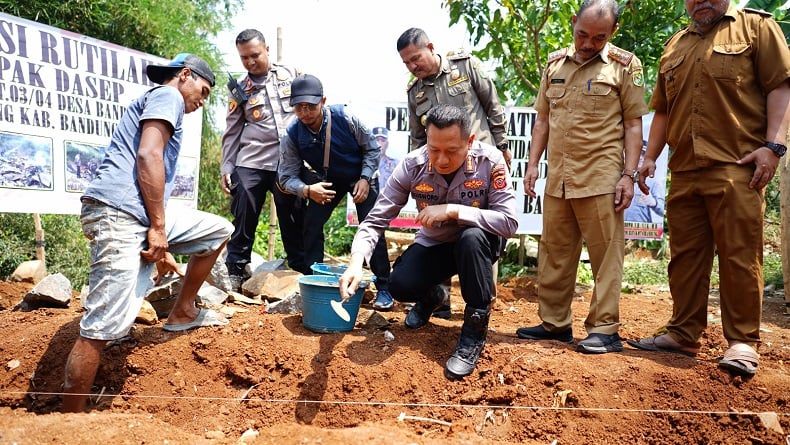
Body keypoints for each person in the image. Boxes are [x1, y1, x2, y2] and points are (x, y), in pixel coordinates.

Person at [628, 0, 790, 378]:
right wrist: (650, 157)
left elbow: (780, 87)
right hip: (685, 170)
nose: (701, 1)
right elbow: (664, 109)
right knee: (684, 258)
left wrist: (774, 147)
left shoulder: (756, 28)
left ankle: (742, 341)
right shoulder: (674, 46)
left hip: (737, 166)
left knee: (739, 255)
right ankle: (683, 333)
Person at [63, 54, 234, 413]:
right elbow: (147, 156)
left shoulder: (166, 100)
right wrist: (158, 228)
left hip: (137, 214)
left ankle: (183, 310)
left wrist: (163, 241)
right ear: (185, 75)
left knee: (219, 230)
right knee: (102, 325)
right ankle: (69, 421)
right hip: (119, 214)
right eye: (202, 92)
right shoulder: (168, 95)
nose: (200, 102)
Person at [339, 104, 517, 379]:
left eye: (452, 151)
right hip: (436, 245)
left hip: (479, 245)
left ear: (469, 142)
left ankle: (473, 334)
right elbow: (375, 220)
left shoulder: (490, 161)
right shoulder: (412, 165)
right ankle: (432, 296)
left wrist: (454, 211)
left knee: (470, 238)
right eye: (434, 149)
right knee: (399, 284)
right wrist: (355, 262)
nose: (442, 159)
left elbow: (509, 222)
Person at [516, 0, 647, 354]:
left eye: (599, 37)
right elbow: (542, 120)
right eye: (583, 34)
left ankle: (605, 329)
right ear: (573, 23)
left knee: (606, 255)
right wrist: (532, 165)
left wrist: (629, 176)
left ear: (613, 33)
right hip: (558, 176)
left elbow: (634, 124)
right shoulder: (554, 63)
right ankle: (554, 324)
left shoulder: (625, 66)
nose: (589, 43)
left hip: (601, 177)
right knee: (555, 252)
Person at [397, 27, 510, 317]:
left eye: (416, 58)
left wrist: (503, 145)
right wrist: (422, 172)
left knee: (478, 232)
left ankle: (482, 302)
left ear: (430, 47)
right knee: (439, 230)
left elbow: (492, 106)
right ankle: (439, 299)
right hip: (441, 172)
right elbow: (418, 137)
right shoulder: (415, 91)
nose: (413, 66)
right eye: (406, 63)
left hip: (479, 168)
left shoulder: (466, 66)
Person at [278, 74, 393, 309]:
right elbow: (285, 176)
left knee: (371, 225)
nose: (305, 112)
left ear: (323, 101)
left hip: (360, 176)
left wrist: (365, 177)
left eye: (310, 106)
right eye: (299, 108)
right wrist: (308, 190)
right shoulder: (292, 134)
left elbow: (372, 149)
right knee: (311, 223)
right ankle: (312, 281)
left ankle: (384, 287)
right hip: (327, 181)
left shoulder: (345, 117)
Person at [221, 29, 307, 284]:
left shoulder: (291, 74)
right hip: (252, 160)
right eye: (244, 57)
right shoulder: (239, 88)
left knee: (293, 214)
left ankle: (300, 268)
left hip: (288, 161)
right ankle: (236, 267)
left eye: (255, 55)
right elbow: (232, 130)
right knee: (244, 208)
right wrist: (227, 166)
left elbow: (311, 109)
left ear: (267, 49)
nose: (250, 62)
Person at [624, 145, 665, 224]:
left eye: (644, 155)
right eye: (638, 154)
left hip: (642, 231)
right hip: (619, 230)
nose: (640, 158)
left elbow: (662, 211)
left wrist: (654, 203)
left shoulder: (652, 182)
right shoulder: (620, 178)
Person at [373, 126, 398, 191]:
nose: (380, 144)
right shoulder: (364, 164)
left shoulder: (395, 164)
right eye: (377, 140)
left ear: (387, 144)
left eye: (383, 141)